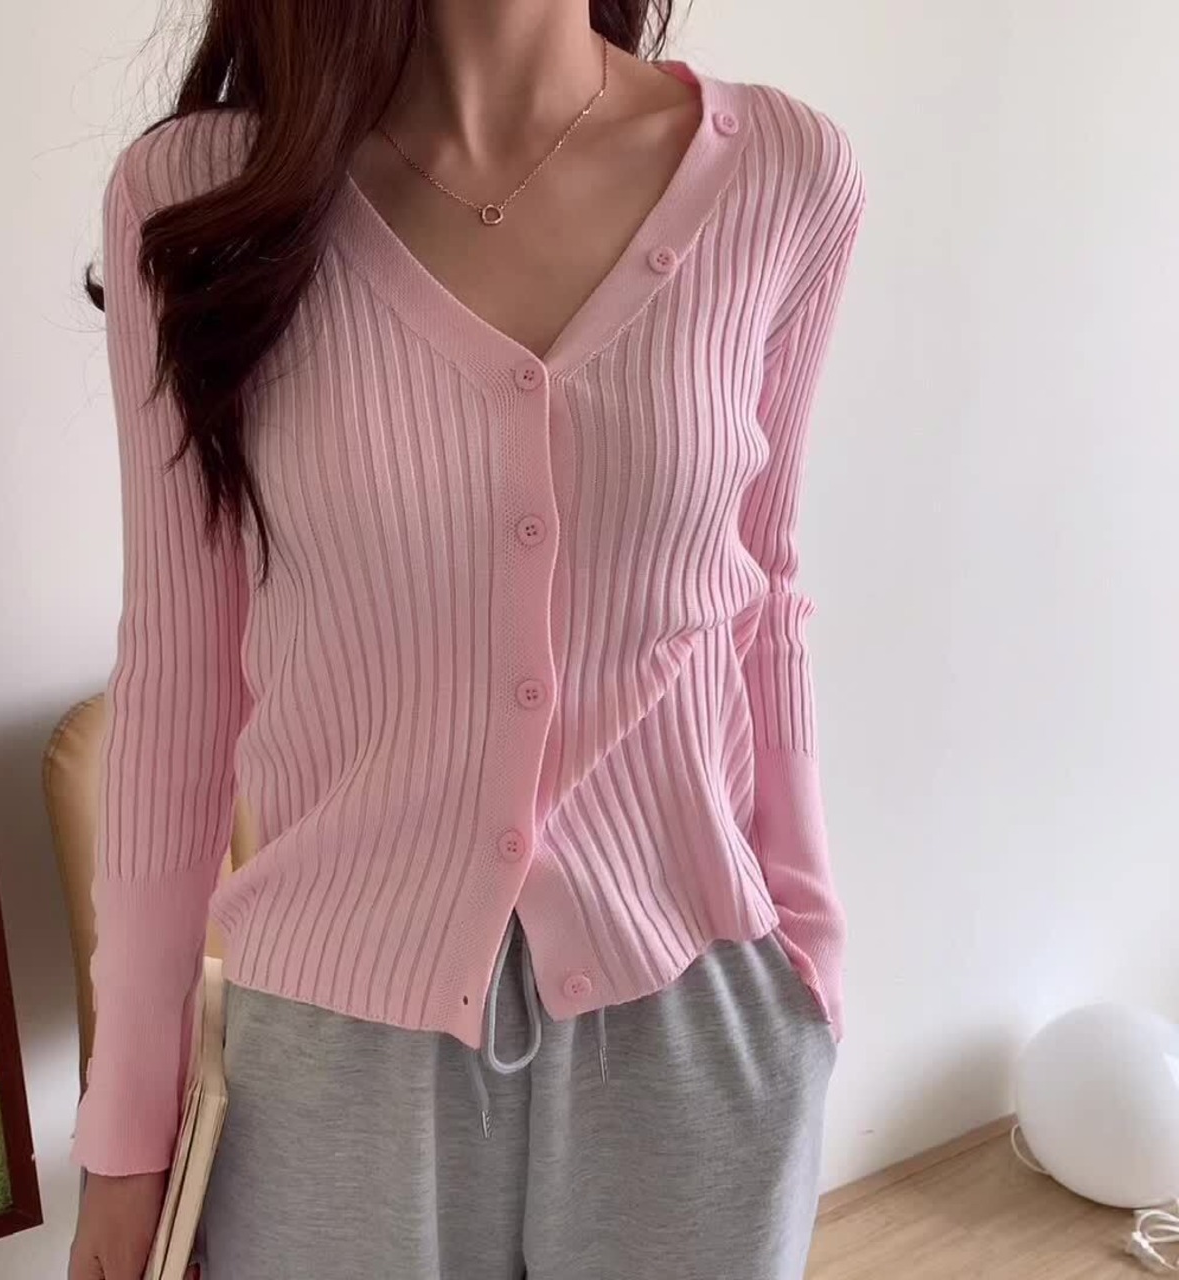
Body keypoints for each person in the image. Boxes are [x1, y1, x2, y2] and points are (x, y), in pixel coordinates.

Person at [67, 1, 866, 1277]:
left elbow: (763, 587)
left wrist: (806, 958)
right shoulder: (199, 195)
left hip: (696, 1011)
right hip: (332, 1057)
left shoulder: (784, 174)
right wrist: (125, 1133)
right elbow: (177, 673)